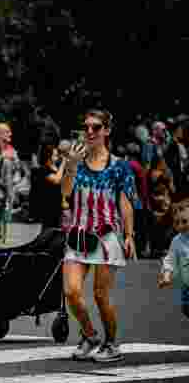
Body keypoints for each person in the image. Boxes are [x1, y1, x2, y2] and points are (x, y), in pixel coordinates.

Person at [60, 109, 139, 363]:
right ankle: (90, 335)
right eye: (87, 127)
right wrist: (70, 165)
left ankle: (111, 344)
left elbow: (125, 203)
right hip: (79, 234)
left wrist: (129, 235)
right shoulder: (76, 161)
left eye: (96, 127)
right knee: (71, 291)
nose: (90, 132)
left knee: (100, 294)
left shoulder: (119, 167)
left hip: (106, 236)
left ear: (106, 130)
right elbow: (66, 193)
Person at [159, 195, 189, 320]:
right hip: (187, 287)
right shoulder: (177, 241)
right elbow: (170, 260)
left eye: (185, 221)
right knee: (186, 308)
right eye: (177, 223)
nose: (181, 226)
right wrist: (166, 276)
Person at [29, 130, 65, 231]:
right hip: (48, 207)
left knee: (56, 230)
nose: (57, 157)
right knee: (48, 231)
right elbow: (56, 180)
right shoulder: (44, 169)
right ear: (48, 157)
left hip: (58, 206)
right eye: (55, 155)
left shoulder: (56, 167)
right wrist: (64, 163)